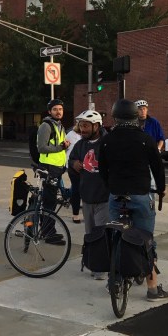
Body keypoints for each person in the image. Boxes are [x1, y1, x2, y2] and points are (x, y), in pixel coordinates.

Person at [98, 98, 168, 301]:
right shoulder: (145, 139)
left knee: (115, 236)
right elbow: (158, 168)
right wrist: (162, 189)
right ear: (134, 117)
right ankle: (153, 288)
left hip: (116, 195)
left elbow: (102, 170)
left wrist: (110, 187)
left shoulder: (106, 140)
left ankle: (114, 279)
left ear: (115, 117)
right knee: (146, 239)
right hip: (140, 194)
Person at [69, 110, 109, 279]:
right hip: (87, 197)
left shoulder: (107, 143)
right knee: (90, 233)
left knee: (101, 232)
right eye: (81, 125)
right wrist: (74, 164)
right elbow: (71, 160)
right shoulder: (81, 145)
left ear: (96, 126)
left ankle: (101, 268)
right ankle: (93, 263)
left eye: (86, 125)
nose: (82, 129)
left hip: (105, 197)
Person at [36, 98, 71, 245]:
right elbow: (41, 148)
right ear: (50, 111)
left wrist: (64, 146)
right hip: (48, 168)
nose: (58, 112)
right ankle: (48, 233)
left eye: (60, 109)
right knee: (49, 202)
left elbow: (58, 146)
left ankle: (48, 230)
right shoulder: (46, 125)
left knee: (51, 201)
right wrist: (61, 148)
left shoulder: (59, 125)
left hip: (56, 169)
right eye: (55, 109)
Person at [65, 121, 83, 224]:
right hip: (73, 166)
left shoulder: (90, 135)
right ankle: (75, 214)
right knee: (76, 189)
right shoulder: (71, 134)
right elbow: (65, 148)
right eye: (81, 124)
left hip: (86, 167)